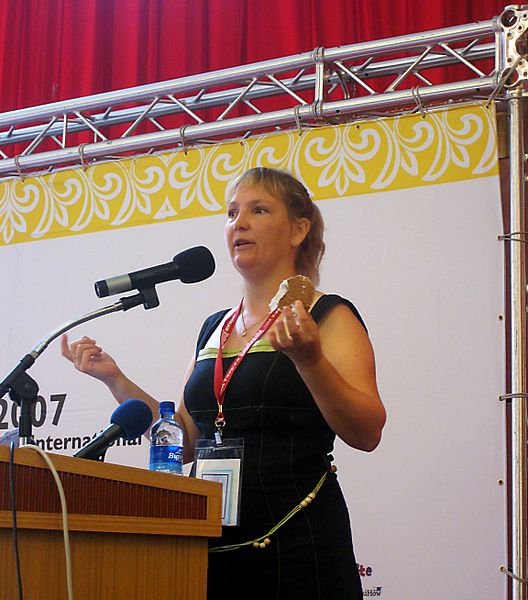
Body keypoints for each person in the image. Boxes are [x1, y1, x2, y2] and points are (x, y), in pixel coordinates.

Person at [61, 166, 386, 600]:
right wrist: (114, 378)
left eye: (258, 210)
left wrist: (310, 361)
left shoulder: (327, 316)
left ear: (298, 230)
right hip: (211, 543)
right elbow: (185, 441)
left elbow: (367, 432)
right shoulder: (215, 327)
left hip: (297, 542)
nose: (240, 223)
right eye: (232, 213)